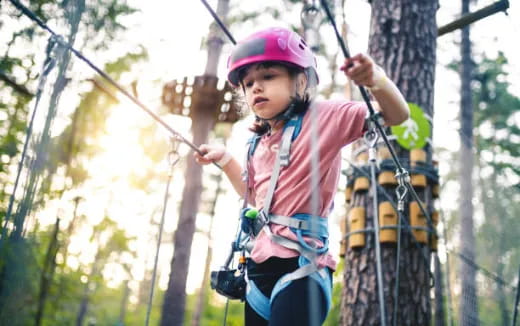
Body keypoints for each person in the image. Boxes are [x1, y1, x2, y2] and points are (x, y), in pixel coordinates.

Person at [194, 27, 409, 326]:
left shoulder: (324, 118)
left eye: (268, 76)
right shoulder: (257, 142)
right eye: (248, 83)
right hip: (258, 272)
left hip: (302, 268)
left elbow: (397, 115)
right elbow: (258, 199)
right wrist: (227, 161)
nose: (256, 87)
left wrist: (377, 81)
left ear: (301, 80)